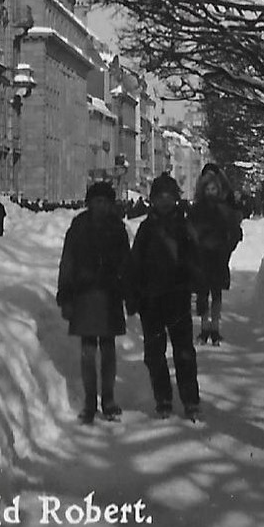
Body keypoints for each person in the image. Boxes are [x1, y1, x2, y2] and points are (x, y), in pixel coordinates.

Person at [127, 172, 202, 421]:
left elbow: (196, 262)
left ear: (176, 199)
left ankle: (190, 399)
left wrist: (200, 291)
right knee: (154, 354)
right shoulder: (146, 229)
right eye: (160, 197)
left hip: (178, 298)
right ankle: (163, 398)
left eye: (169, 196)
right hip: (151, 301)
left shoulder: (185, 227)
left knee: (184, 352)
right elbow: (135, 264)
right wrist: (133, 295)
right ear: (153, 200)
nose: (165, 201)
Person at [56, 181, 130, 424]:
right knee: (88, 351)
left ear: (110, 204)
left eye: (105, 201)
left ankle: (107, 399)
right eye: (96, 201)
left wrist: (129, 292)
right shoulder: (78, 226)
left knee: (108, 350)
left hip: (109, 295)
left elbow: (126, 262)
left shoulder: (117, 228)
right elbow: (67, 262)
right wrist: (65, 295)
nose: (101, 206)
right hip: (85, 294)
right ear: (90, 202)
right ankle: (90, 401)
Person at [189, 164, 244, 346]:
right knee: (203, 294)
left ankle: (215, 327)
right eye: (208, 188)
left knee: (216, 293)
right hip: (202, 256)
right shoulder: (197, 209)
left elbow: (234, 231)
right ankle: (205, 327)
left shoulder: (223, 209)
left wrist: (227, 248)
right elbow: (189, 230)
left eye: (213, 188)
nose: (210, 192)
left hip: (218, 256)